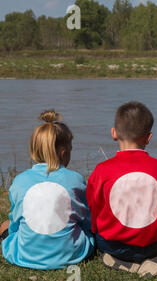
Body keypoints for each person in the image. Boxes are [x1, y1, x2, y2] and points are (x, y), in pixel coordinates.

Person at [87, 101, 157, 277]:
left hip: (113, 246)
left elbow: (94, 212)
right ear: (148, 138)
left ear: (113, 133)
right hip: (155, 245)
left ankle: (119, 260)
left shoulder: (101, 171)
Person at [0, 110, 94, 269]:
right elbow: (85, 220)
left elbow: (16, 223)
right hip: (71, 253)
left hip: (25, 255)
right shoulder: (76, 179)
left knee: (5, 224)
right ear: (64, 153)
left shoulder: (19, 181)